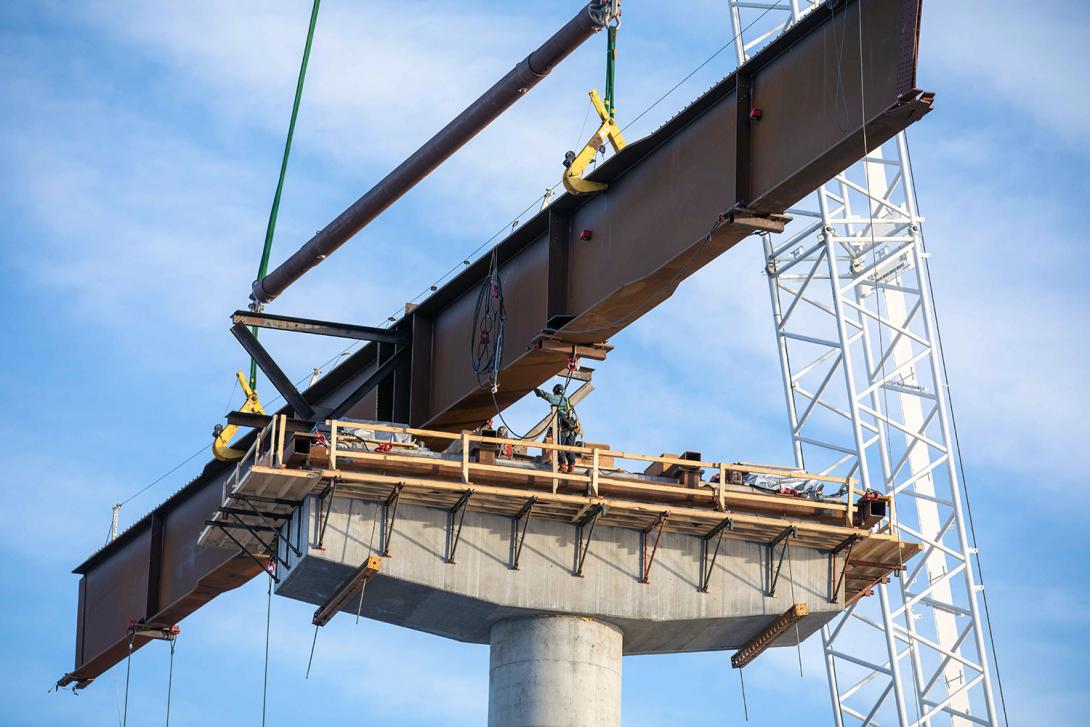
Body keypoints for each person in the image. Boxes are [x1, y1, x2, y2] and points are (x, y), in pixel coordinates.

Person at [534, 383, 580, 473]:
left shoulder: (559, 399)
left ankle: (563, 465)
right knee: (570, 447)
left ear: (556, 391)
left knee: (560, 447)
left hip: (562, 428)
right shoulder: (566, 401)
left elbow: (549, 397)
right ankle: (571, 466)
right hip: (570, 429)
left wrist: (539, 392)